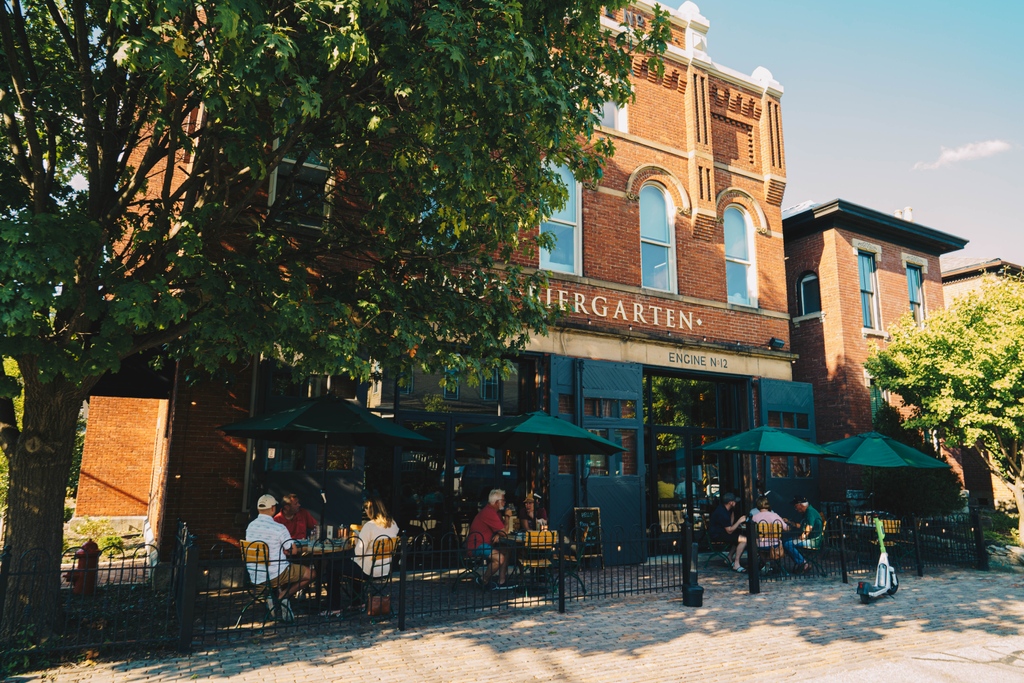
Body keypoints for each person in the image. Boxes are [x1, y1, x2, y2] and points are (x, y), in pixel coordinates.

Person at [244, 494, 314, 622]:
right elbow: (293, 551)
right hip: (275, 573)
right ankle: (284, 595)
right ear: (272, 508)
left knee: (288, 568)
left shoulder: (250, 527)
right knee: (311, 574)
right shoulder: (279, 527)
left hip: (256, 575)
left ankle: (270, 596)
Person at [326, 496, 400, 613]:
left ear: (371, 509)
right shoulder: (393, 523)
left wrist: (357, 539)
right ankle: (358, 602)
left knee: (332, 566)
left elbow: (359, 553)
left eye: (366, 507)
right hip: (385, 568)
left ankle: (334, 607)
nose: (364, 510)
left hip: (368, 570)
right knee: (352, 565)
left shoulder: (369, 526)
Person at [466, 489, 515, 590]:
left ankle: (502, 581)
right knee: (499, 558)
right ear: (497, 502)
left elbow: (500, 531)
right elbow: (504, 532)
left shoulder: (496, 512)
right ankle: (483, 580)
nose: (505, 503)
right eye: (503, 500)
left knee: (506, 549)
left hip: (486, 543)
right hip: (477, 546)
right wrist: (507, 516)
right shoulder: (489, 512)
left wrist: (498, 534)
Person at [783, 495, 823, 573]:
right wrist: (790, 522)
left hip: (813, 541)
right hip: (810, 539)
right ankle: (801, 562)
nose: (795, 508)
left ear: (800, 505)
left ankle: (803, 564)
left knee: (788, 544)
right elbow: (802, 526)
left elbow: (809, 527)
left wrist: (803, 536)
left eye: (795, 506)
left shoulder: (810, 512)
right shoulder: (808, 512)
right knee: (786, 541)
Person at [708, 492, 748, 573]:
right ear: (731, 503)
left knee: (739, 536)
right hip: (717, 535)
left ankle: (729, 558)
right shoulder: (722, 513)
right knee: (744, 540)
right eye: (734, 501)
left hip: (721, 532)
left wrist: (732, 515)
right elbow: (729, 531)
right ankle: (736, 564)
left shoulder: (725, 509)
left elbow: (730, 525)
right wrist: (739, 521)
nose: (736, 503)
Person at [751, 495, 788, 562]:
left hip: (760, 544)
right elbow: (786, 528)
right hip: (775, 544)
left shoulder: (754, 517)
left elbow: (752, 531)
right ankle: (768, 562)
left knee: (761, 549)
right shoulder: (775, 515)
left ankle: (765, 562)